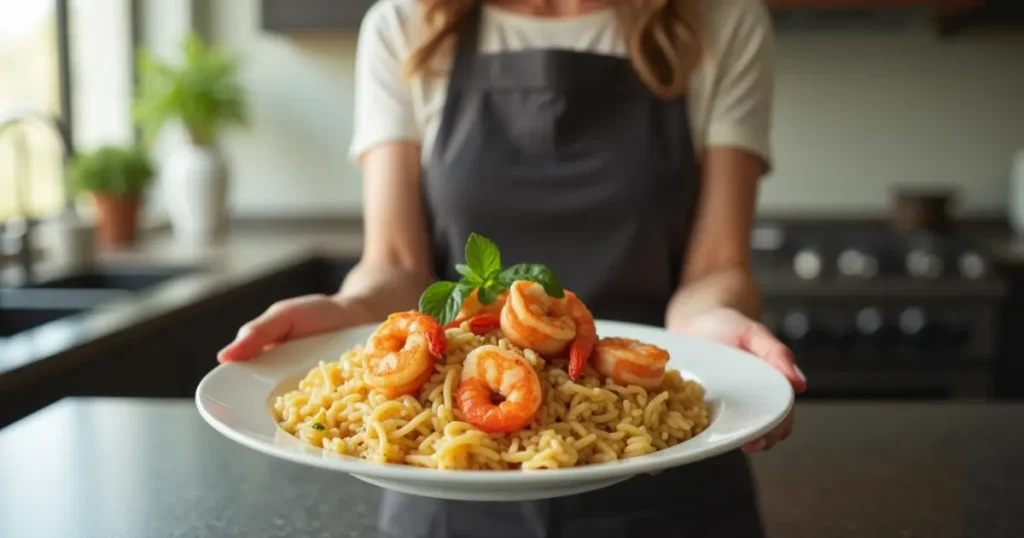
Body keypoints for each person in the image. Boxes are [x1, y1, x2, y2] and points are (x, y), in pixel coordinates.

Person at [219, 0, 806, 536]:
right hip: (445, 482)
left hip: (666, 473)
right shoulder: (404, 25)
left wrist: (717, 324)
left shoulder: (721, 20)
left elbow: (716, 265)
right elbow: (396, 263)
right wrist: (347, 311)